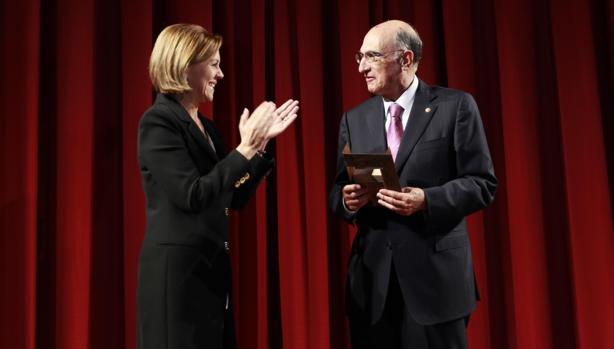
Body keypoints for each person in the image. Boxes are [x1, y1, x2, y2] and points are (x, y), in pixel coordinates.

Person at [329, 20, 497, 348]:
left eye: (372, 56)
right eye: (359, 57)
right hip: (373, 287)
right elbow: (337, 191)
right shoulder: (354, 118)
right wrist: (347, 201)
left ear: (405, 59)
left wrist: (426, 200)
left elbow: (482, 183)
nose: (362, 67)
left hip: (435, 283)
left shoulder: (456, 107)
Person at [136, 23, 298, 349]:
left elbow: (232, 194)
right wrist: (245, 149)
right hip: (177, 282)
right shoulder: (159, 121)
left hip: (210, 276)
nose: (221, 74)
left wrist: (259, 148)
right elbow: (192, 194)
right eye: (214, 63)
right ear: (184, 65)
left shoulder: (206, 127)